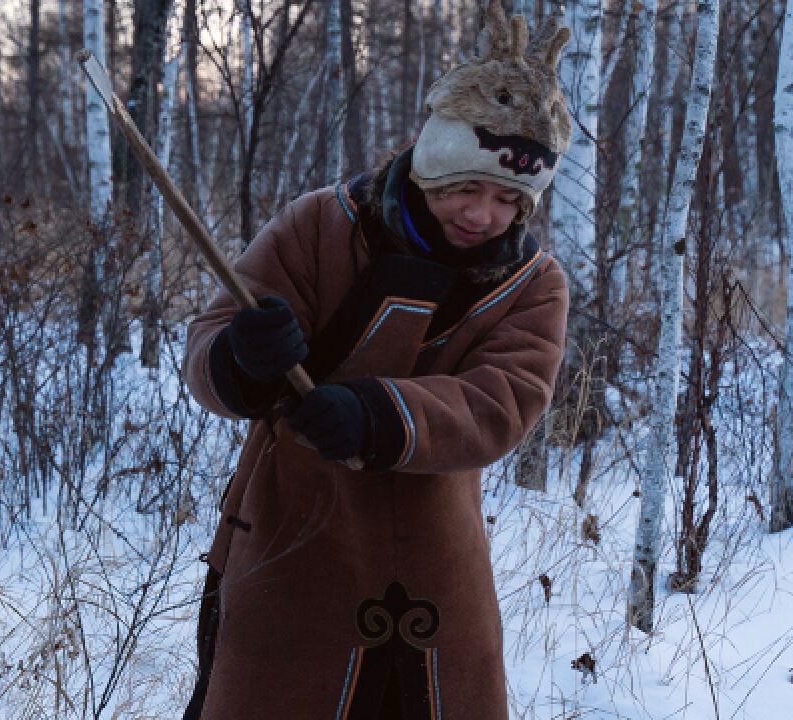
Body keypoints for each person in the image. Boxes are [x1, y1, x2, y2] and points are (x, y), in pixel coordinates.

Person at [180, 5, 573, 719]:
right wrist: (243, 356)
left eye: (508, 198)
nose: (483, 215)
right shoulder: (319, 225)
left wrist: (375, 415)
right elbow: (209, 342)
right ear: (432, 162)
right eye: (466, 187)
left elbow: (501, 403)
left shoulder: (533, 284)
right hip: (286, 543)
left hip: (432, 571)